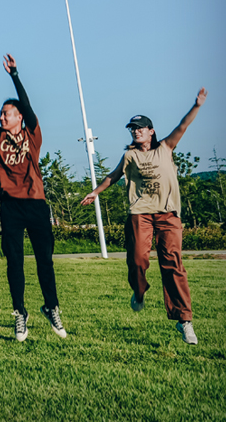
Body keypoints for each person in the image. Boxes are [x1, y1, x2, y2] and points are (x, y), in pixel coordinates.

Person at [82, 88, 207, 345]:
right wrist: (95, 192)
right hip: (140, 214)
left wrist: (196, 106)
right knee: (138, 259)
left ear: (151, 131)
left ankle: (184, 320)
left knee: (172, 264)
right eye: (132, 129)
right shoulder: (130, 155)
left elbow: (182, 126)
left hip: (168, 215)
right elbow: (113, 176)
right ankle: (139, 292)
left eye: (140, 128)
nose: (136, 131)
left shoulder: (165, 147)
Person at [0, 54, 66, 342]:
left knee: (44, 260)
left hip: (36, 204)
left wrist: (15, 76)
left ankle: (51, 307)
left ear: (19, 117)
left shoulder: (32, 134)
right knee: (14, 261)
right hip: (11, 206)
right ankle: (19, 312)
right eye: (2, 114)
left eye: (7, 113)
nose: (2, 117)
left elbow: (28, 107)